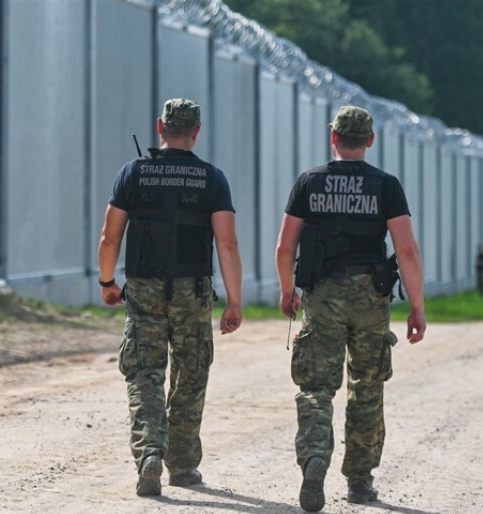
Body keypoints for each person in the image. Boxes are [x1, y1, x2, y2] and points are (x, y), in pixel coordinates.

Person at [275, 105, 426, 512]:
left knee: (316, 386)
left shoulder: (309, 182)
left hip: (323, 294)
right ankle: (359, 480)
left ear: (334, 138)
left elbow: (285, 247)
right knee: (367, 386)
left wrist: (288, 291)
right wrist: (417, 307)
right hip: (371, 297)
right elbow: (406, 249)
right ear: (370, 140)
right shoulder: (386, 186)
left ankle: (315, 457)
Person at [97, 98, 243, 497]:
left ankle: (149, 453)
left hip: (143, 288)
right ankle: (181, 465)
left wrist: (107, 282)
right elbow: (226, 244)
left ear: (160, 128)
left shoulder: (133, 174)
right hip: (192, 291)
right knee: (190, 374)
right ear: (196, 132)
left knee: (145, 373)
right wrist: (234, 300)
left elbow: (111, 236)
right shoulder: (212, 179)